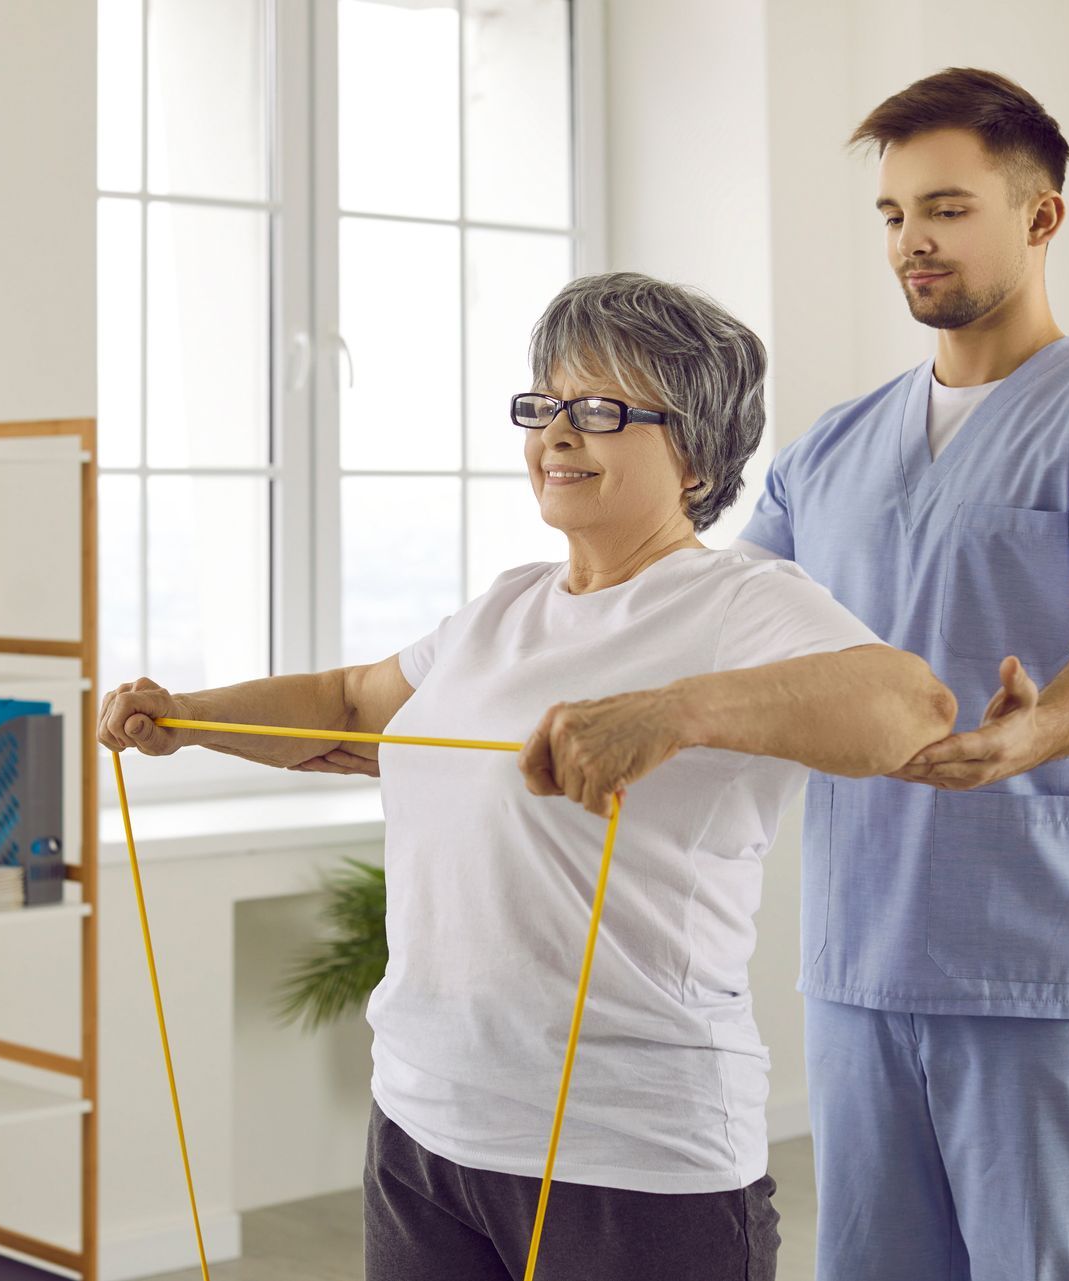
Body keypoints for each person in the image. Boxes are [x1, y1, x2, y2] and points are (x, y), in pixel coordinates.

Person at [99, 271, 954, 1280]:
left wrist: (673, 713)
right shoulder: (506, 606)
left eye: (599, 410)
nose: (557, 432)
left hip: (632, 1160)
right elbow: (348, 706)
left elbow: (911, 708)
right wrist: (189, 719)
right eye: (543, 404)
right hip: (425, 1130)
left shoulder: (737, 601)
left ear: (697, 453)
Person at [732, 68, 1069, 1281]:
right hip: (858, 969)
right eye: (892, 215)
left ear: (1041, 218)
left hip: (1039, 971)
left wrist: (1031, 733)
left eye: (945, 208)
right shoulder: (826, 453)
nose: (912, 242)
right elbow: (713, 635)